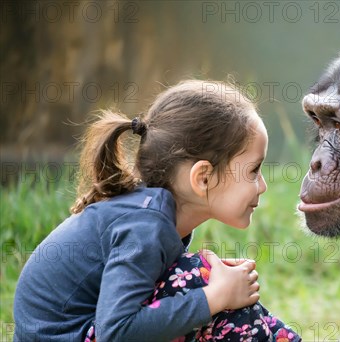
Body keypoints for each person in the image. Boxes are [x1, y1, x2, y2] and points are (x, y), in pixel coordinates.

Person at [13, 80, 301, 342]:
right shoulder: (145, 227)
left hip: (84, 329)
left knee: (198, 279)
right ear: (203, 178)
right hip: (72, 334)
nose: (262, 185)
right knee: (198, 281)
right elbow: (116, 332)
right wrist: (216, 295)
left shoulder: (154, 215)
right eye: (253, 170)